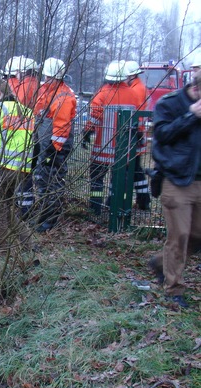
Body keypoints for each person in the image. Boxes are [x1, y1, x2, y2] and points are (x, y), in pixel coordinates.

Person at [148, 59, 201, 309]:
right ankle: (173, 290)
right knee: (179, 236)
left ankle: (161, 262)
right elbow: (161, 135)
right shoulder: (170, 103)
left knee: (197, 237)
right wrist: (191, 116)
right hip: (177, 180)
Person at [81, 60, 142, 215]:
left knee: (96, 179)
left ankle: (95, 208)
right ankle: (115, 207)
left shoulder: (101, 94)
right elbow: (139, 120)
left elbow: (94, 118)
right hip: (124, 149)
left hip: (103, 148)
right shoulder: (134, 95)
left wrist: (86, 133)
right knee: (120, 180)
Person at [0, 79, 36, 246]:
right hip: (19, 169)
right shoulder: (27, 112)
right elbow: (36, 143)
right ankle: (29, 243)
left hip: (0, 167)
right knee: (7, 208)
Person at [32, 57, 77, 232]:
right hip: (47, 143)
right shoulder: (47, 91)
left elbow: (62, 125)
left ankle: (50, 219)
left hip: (55, 146)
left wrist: (53, 149)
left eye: (47, 76)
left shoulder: (63, 96)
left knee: (53, 182)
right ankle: (44, 216)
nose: (45, 79)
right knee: (43, 180)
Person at [125, 60, 151, 210]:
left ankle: (142, 200)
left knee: (133, 169)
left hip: (135, 135)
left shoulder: (137, 89)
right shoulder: (138, 87)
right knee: (136, 169)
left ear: (131, 76)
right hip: (137, 134)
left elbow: (137, 113)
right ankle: (143, 200)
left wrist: (138, 133)